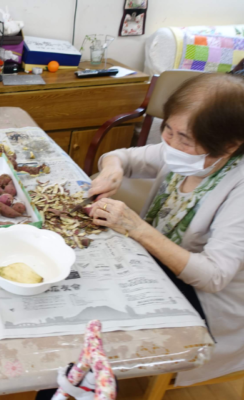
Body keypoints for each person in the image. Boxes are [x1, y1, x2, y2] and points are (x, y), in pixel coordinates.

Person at [87, 73, 244, 386]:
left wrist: (135, 227)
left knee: (94, 331)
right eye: (168, 129)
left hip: (202, 297)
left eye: (183, 137)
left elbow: (213, 277)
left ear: (228, 145)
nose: (170, 143)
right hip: (152, 264)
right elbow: (119, 156)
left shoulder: (237, 188)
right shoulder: (182, 151)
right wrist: (113, 171)